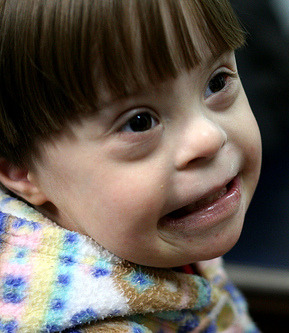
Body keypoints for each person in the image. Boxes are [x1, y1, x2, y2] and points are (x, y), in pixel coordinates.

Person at [0, 0, 262, 331]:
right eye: (139, 122)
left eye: (217, 83)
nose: (208, 137)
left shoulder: (152, 236)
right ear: (22, 171)